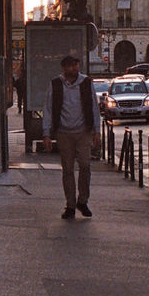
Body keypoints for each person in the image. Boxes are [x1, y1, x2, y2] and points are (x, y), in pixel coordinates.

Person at [41, 55, 102, 219]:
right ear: (63, 68)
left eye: (75, 66)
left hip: (83, 131)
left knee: (85, 165)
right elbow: (48, 108)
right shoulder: (56, 84)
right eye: (69, 66)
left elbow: (94, 108)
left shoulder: (86, 83)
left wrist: (97, 130)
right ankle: (71, 204)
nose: (72, 69)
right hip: (63, 132)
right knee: (67, 169)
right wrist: (46, 134)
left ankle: (83, 200)